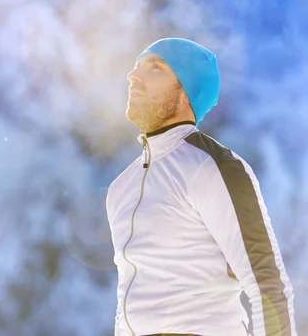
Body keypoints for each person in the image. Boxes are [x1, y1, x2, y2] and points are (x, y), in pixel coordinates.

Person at [105, 38, 297, 336]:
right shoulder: (121, 188)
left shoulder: (212, 167)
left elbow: (266, 283)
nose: (133, 76)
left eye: (155, 69)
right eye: (135, 67)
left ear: (185, 93)